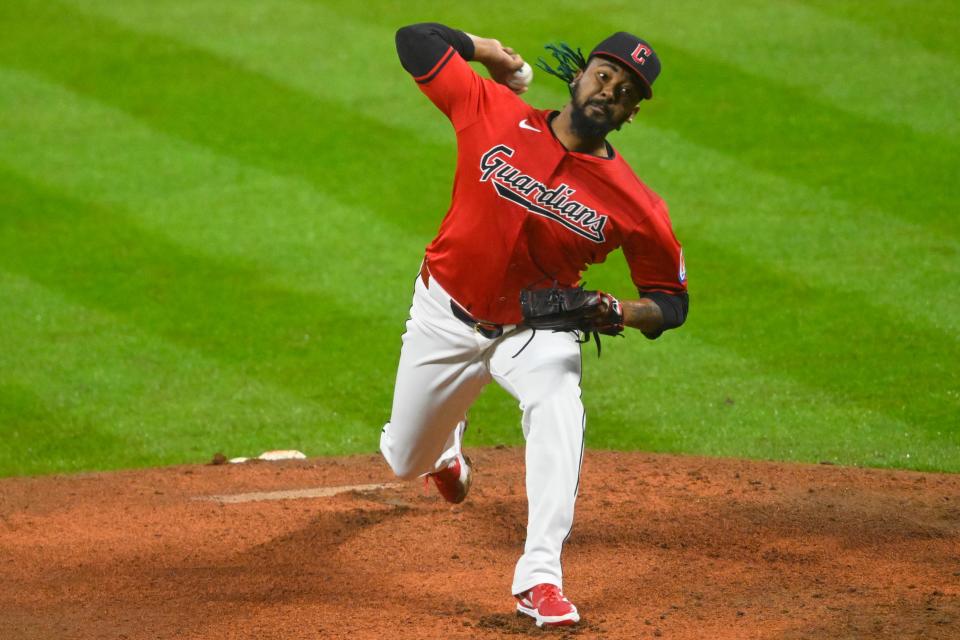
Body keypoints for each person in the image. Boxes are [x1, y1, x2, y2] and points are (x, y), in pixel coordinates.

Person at [380, 22, 688, 628]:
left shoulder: (637, 205)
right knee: (403, 461)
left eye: (626, 91)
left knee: (559, 407)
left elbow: (671, 303)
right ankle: (444, 453)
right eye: (605, 75)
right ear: (579, 76)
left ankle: (540, 578)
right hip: (445, 314)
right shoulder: (493, 111)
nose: (610, 92)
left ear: (630, 115)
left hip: (537, 326)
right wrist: (488, 50)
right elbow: (414, 40)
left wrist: (618, 313)